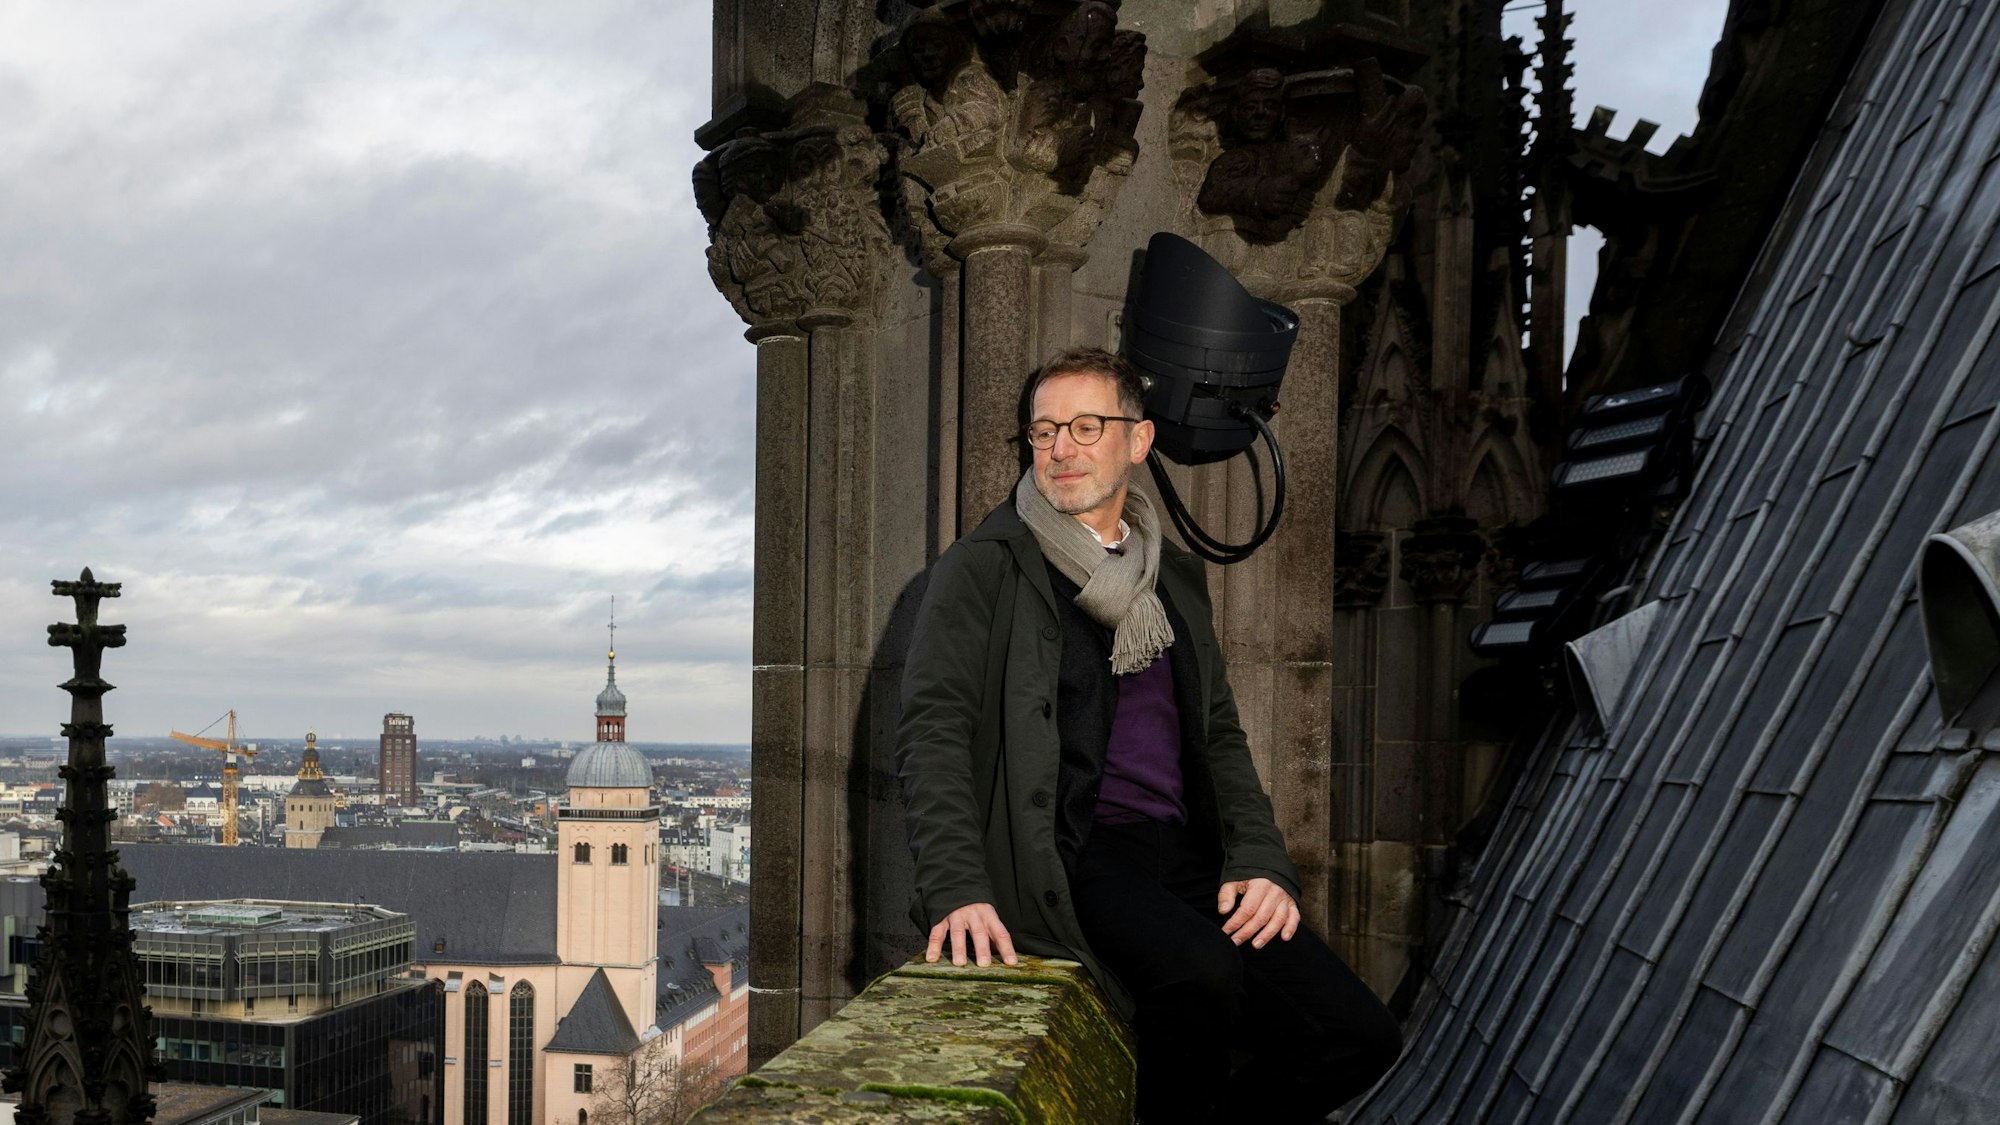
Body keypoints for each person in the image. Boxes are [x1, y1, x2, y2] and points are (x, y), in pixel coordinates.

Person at [896, 347, 1403, 1123]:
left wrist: (1263, 861)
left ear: (1138, 440)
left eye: (1085, 426)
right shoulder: (985, 567)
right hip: (1075, 851)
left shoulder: (1173, 579)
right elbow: (933, 730)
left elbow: (1221, 735)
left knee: (1358, 1034)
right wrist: (959, 888)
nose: (1060, 447)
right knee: (1200, 973)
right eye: (1042, 431)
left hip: (1187, 853)